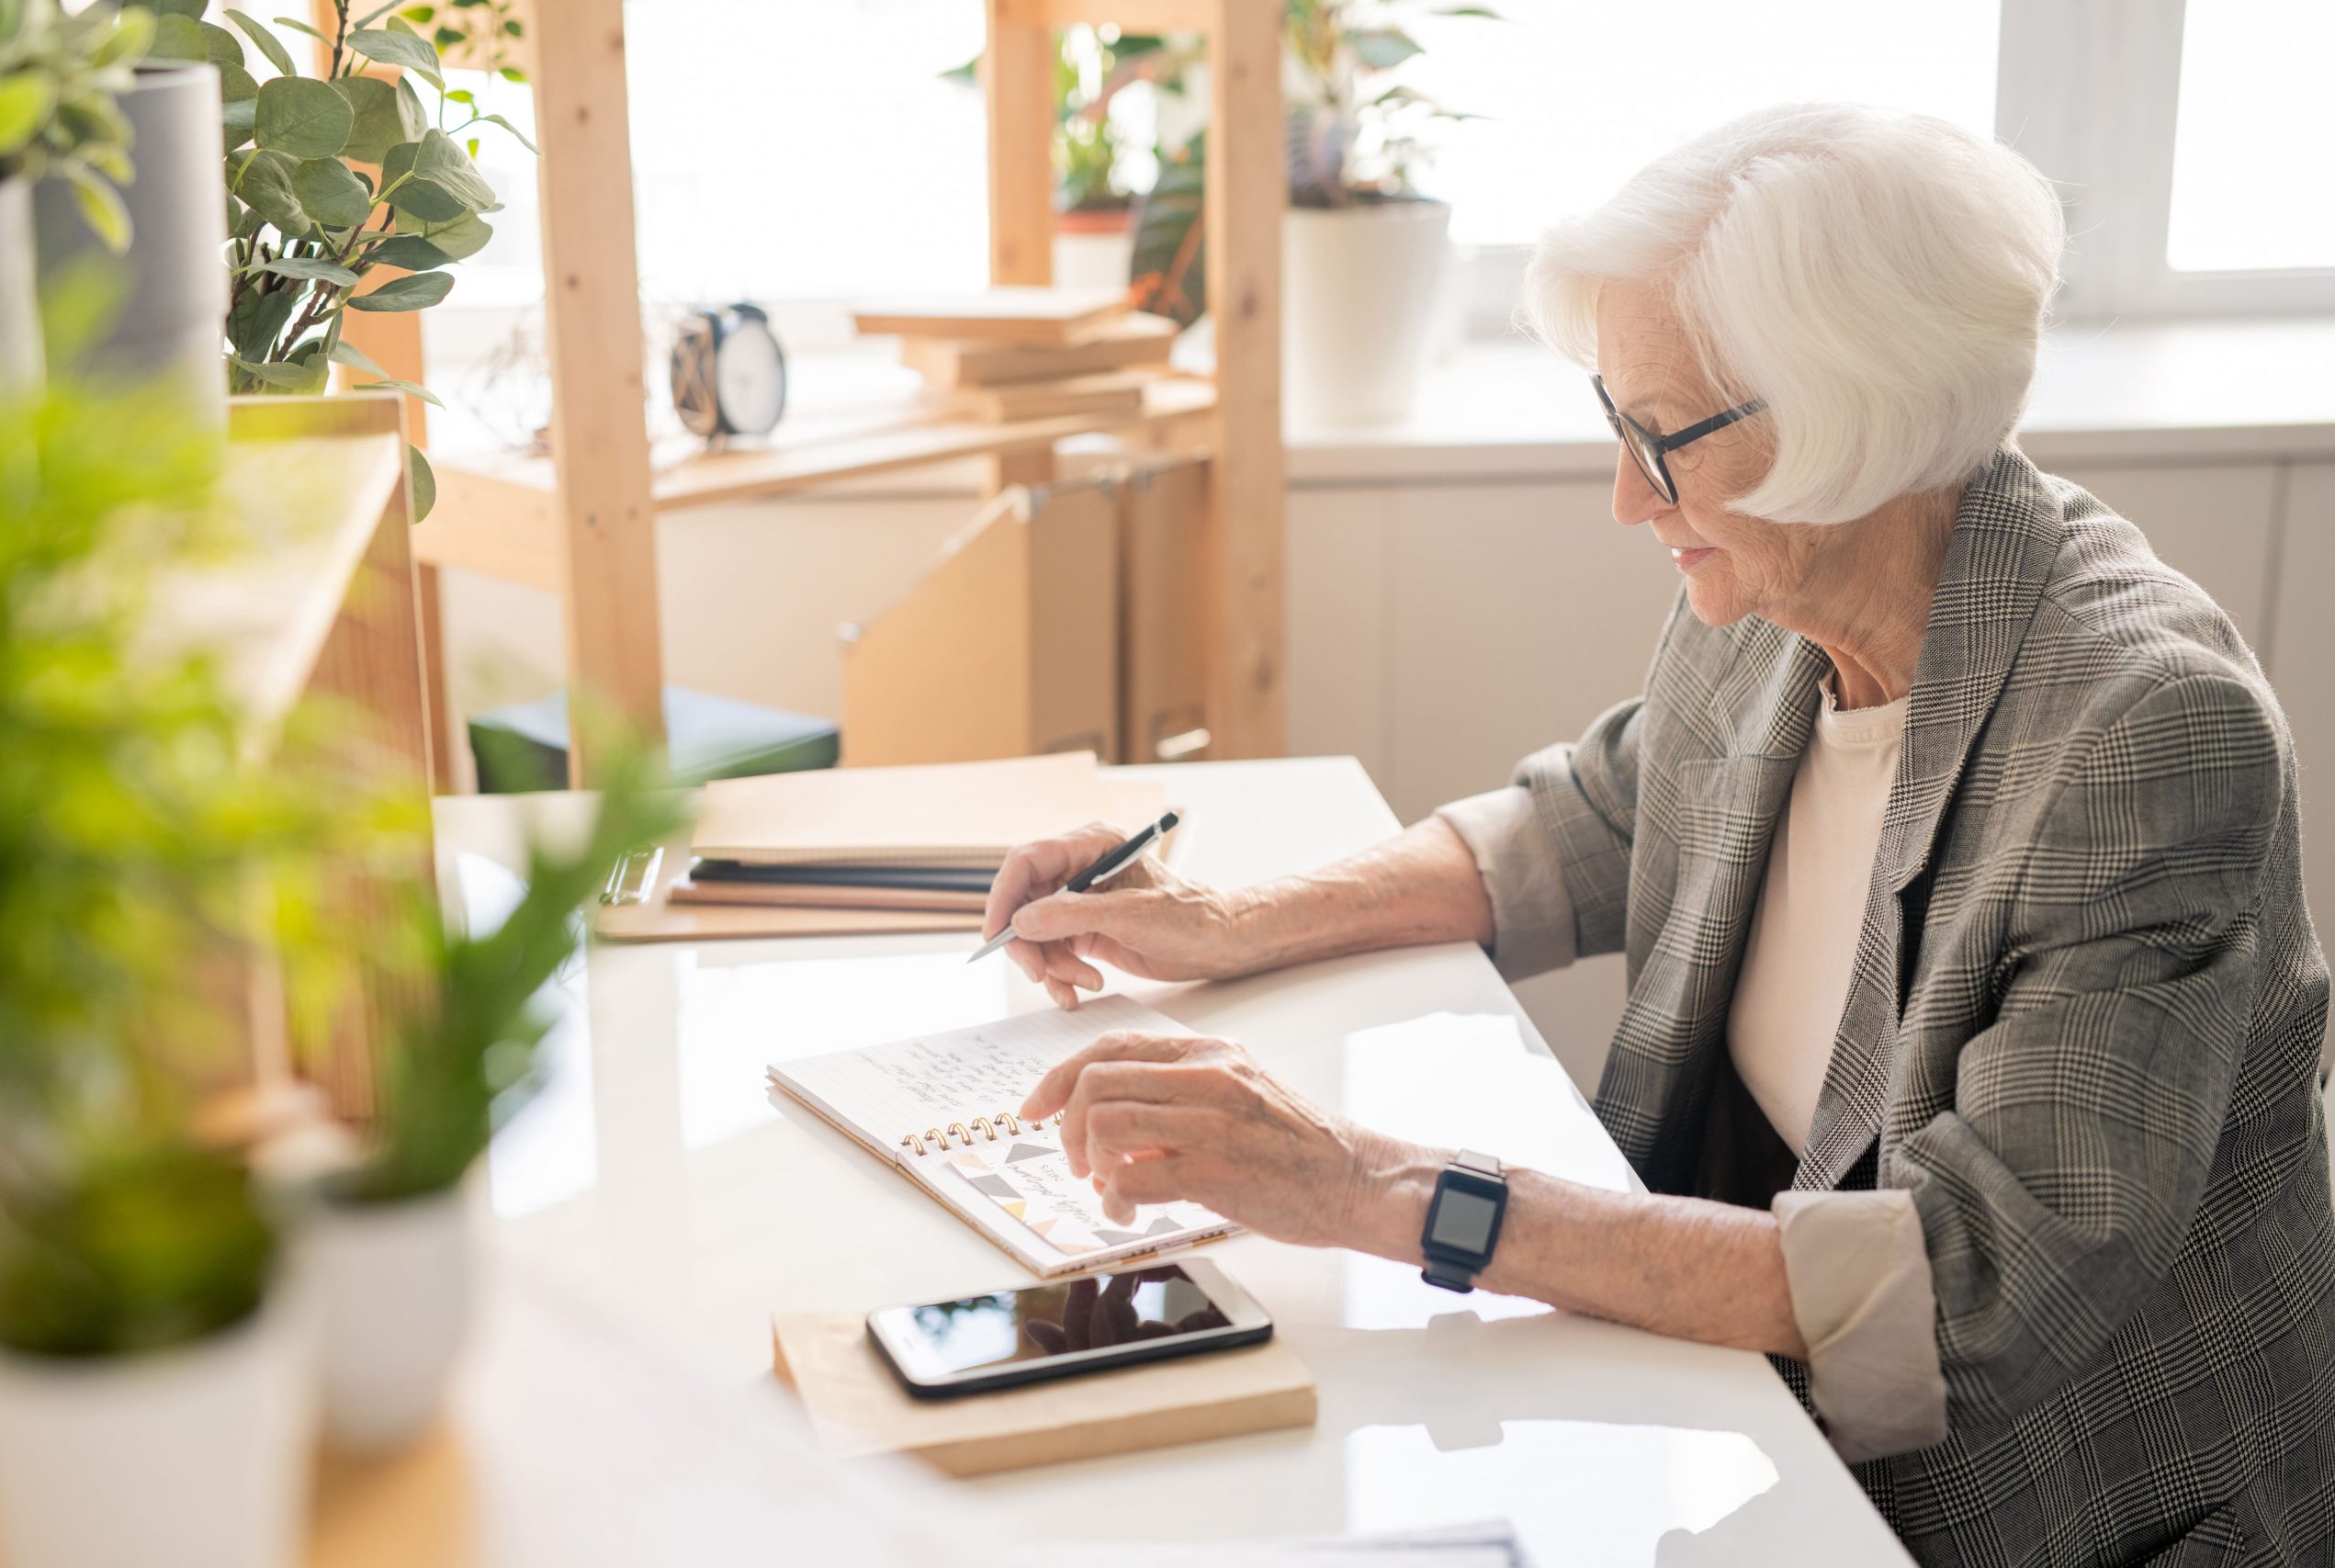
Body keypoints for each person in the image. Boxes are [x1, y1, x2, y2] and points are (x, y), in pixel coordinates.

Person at [984, 105, 2335, 1563]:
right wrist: (1237, 919)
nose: (1628, 497)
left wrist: (1370, 1188)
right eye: (1615, 422)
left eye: (1661, 439)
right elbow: (1604, 813)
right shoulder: (1783, 583)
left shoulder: (2148, 736)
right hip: (1752, 1420)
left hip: (2044, 1514)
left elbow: (1974, 1288)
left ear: (1846, 421)